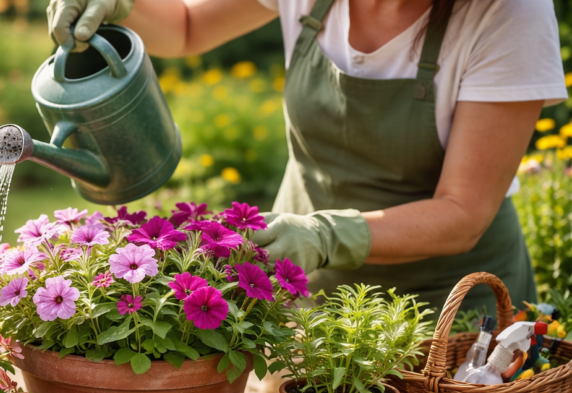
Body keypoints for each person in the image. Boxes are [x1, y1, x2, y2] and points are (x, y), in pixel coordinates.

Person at [48, 0, 568, 312]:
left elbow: (463, 213)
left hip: (448, 313)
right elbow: (185, 26)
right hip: (309, 300)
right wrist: (121, 4)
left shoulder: (510, 13)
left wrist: (323, 235)